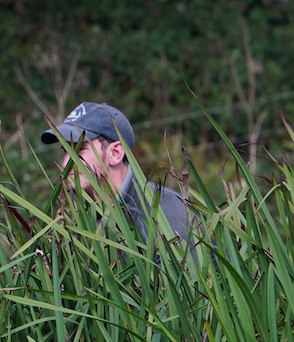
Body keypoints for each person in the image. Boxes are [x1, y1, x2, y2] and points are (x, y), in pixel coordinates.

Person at [40, 102, 194, 244]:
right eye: (65, 151)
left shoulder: (170, 215)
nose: (66, 163)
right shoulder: (77, 223)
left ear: (115, 153)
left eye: (79, 149)